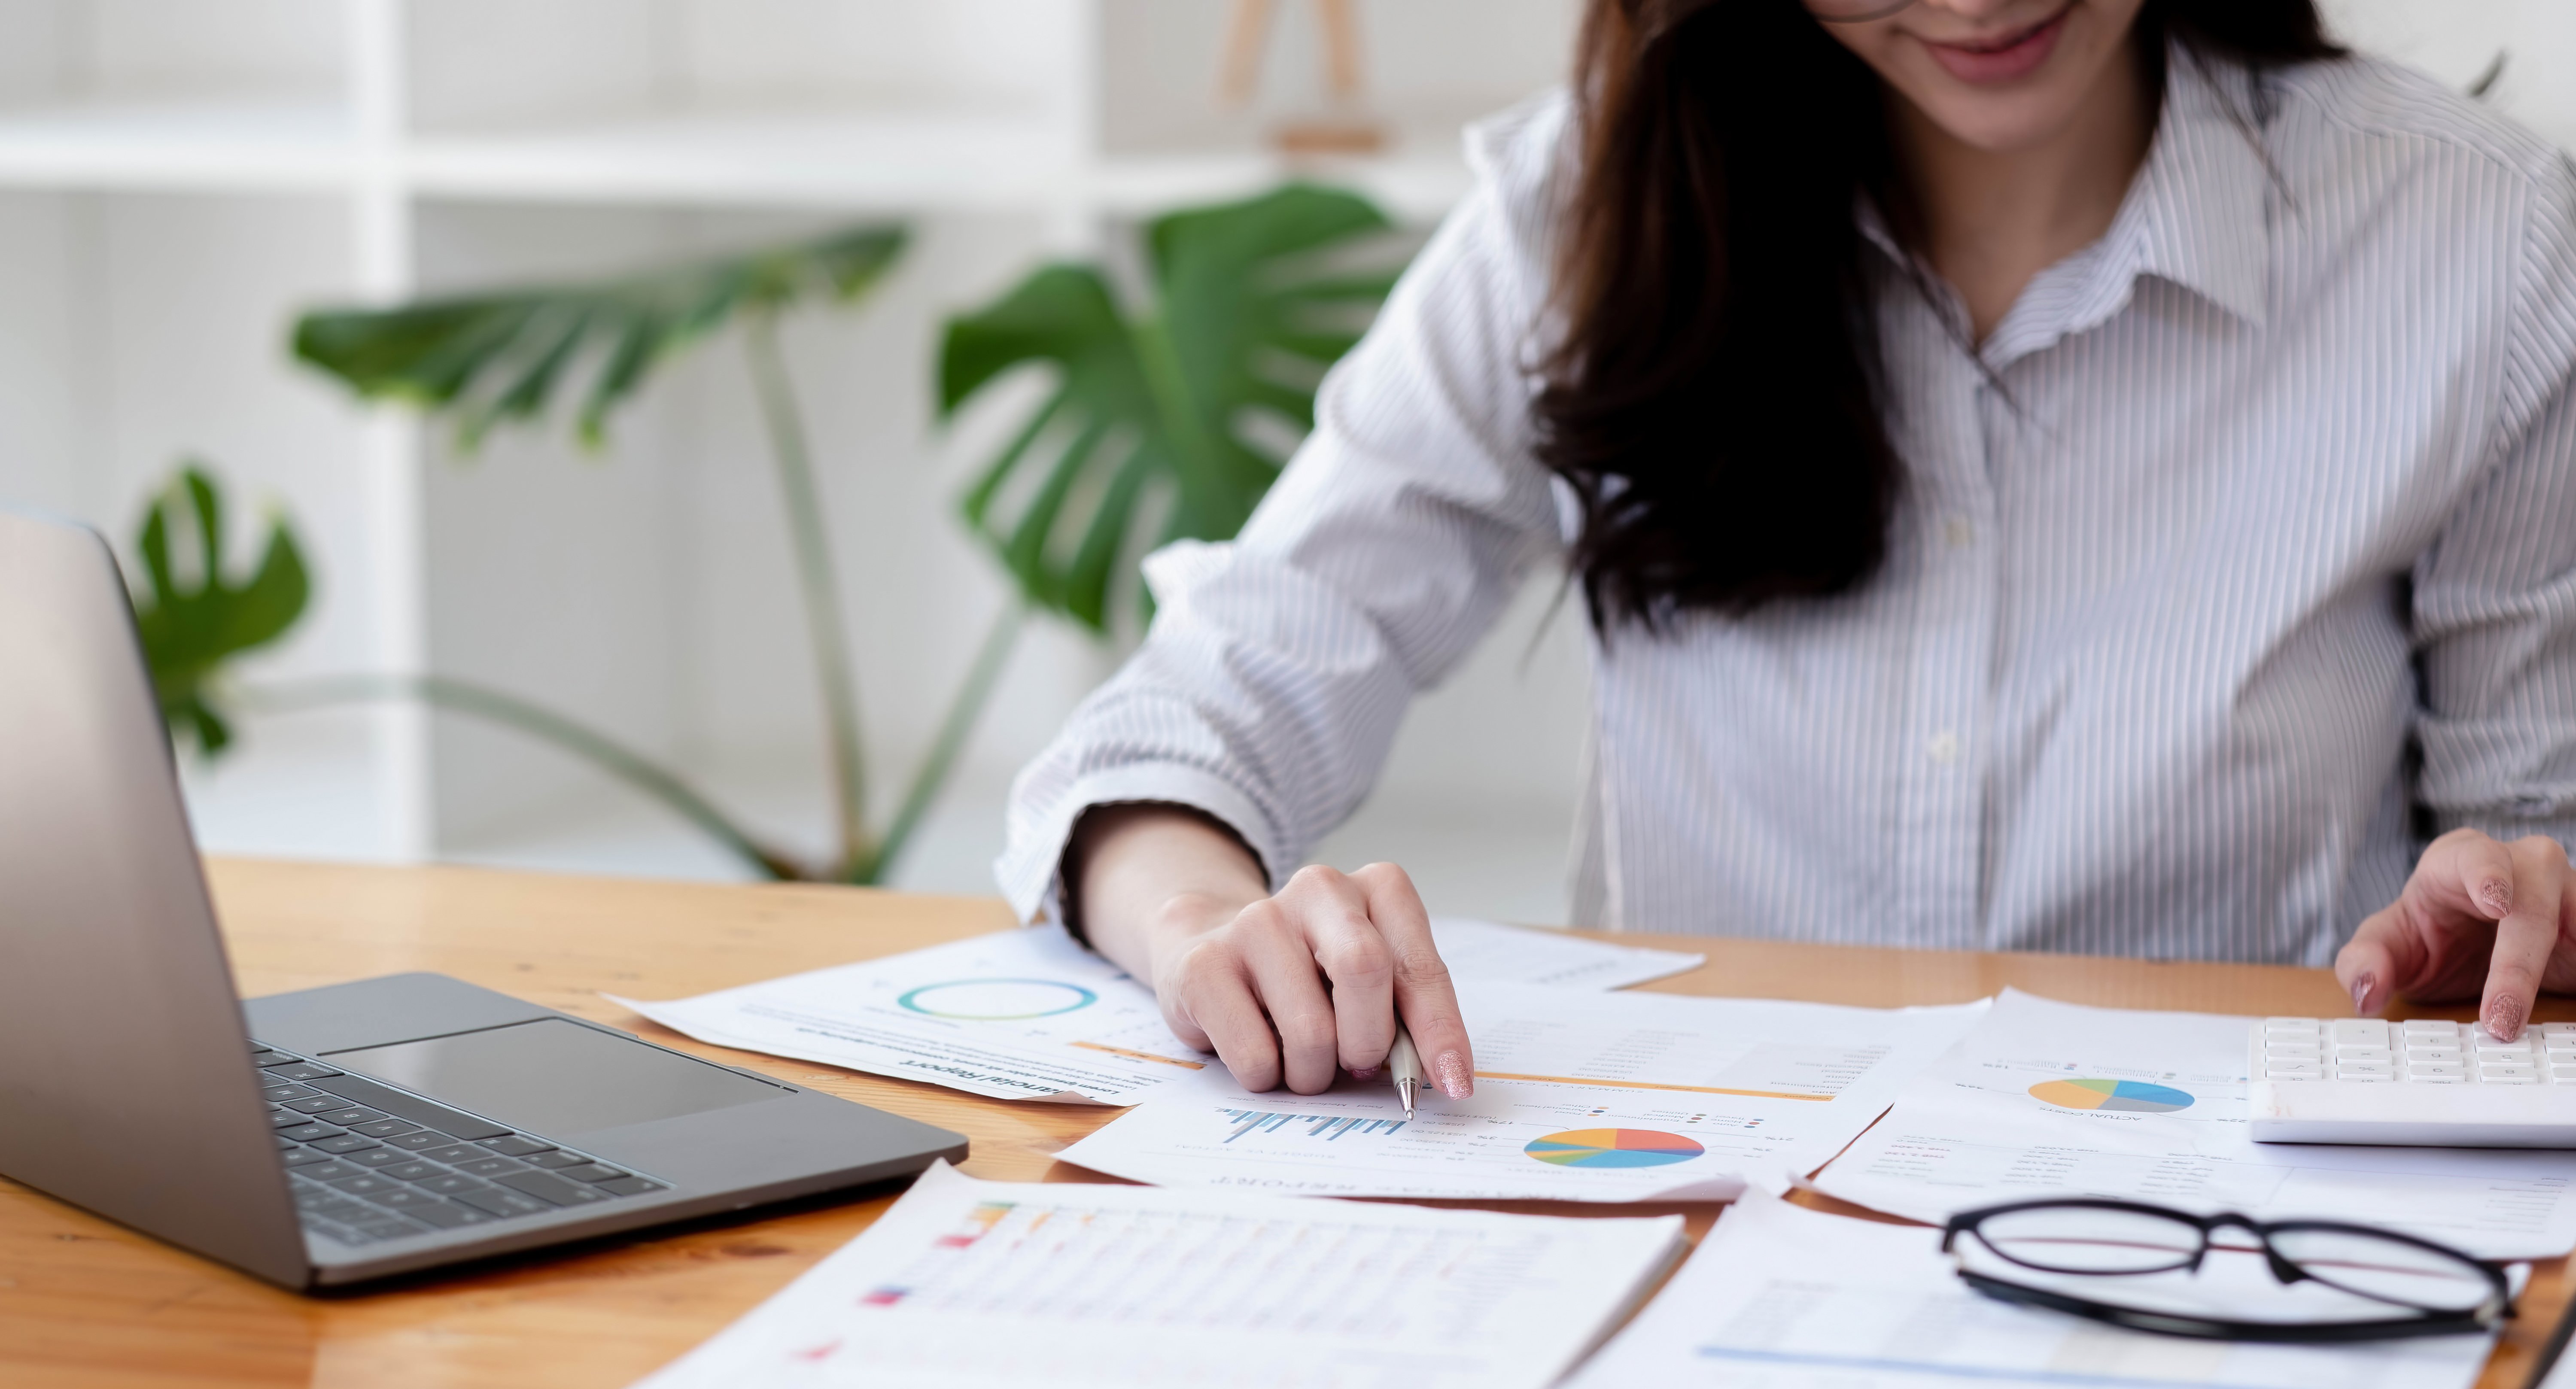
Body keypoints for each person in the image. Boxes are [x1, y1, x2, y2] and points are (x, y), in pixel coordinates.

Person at [998, 0, 2576, 1098]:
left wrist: (2514, 902)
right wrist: (1209, 927)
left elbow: (2540, 835)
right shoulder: (1581, 220)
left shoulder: (2470, 240)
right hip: (1703, 1229)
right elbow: (1195, 708)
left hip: (2228, 1236)